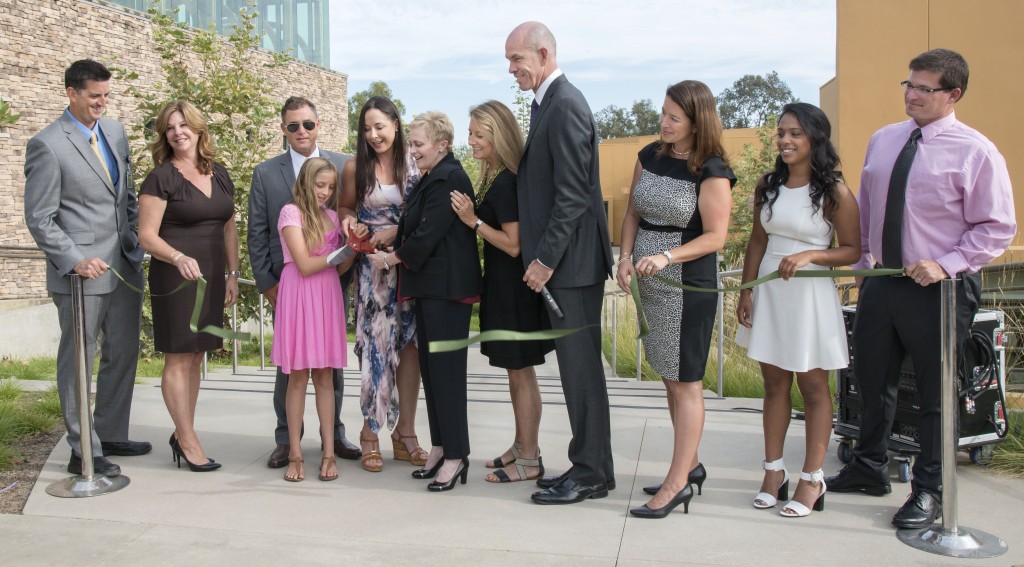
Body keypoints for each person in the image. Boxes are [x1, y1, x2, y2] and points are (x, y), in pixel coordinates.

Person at [825, 49, 1015, 529]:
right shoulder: (885, 140)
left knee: (934, 393)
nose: (912, 94)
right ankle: (868, 466)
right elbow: (869, 208)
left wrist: (946, 264)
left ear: (953, 95)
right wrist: (864, 263)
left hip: (940, 289)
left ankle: (930, 490)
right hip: (881, 283)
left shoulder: (976, 151)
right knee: (873, 379)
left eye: (924, 88)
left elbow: (996, 227)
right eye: (908, 84)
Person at [505, 22, 615, 506]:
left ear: (543, 53)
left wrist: (545, 259)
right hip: (566, 266)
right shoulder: (548, 103)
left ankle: (591, 472)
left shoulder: (566, 105)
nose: (511, 70)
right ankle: (591, 465)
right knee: (576, 374)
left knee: (581, 373)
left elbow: (573, 196)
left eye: (516, 60)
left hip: (571, 267)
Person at [24, 59, 150, 478]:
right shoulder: (47, 144)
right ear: (71, 93)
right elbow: (40, 217)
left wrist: (136, 235)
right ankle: (82, 449)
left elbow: (125, 194)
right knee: (80, 359)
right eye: (94, 96)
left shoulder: (114, 132)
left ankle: (110, 433)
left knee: (124, 351)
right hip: (81, 274)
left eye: (106, 95)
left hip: (124, 267)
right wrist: (75, 256)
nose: (102, 103)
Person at [615, 80, 735, 518]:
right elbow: (632, 213)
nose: (663, 123)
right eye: (662, 113)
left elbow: (716, 237)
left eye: (674, 117)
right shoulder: (649, 155)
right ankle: (692, 464)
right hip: (651, 280)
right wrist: (626, 258)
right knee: (669, 375)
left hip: (688, 283)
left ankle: (677, 481)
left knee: (686, 382)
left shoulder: (713, 170)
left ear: (696, 121)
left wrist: (667, 255)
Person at [734, 102, 860, 517]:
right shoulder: (767, 185)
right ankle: (773, 472)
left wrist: (810, 256)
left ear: (815, 139)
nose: (785, 140)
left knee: (813, 387)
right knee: (774, 385)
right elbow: (757, 241)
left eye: (795, 134)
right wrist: (746, 290)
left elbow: (852, 250)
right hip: (770, 291)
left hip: (808, 296)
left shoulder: (834, 192)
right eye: (781, 133)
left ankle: (812, 478)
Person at [369, 111, 481, 491]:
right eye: (412, 143)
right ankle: (441, 447)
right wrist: (391, 233)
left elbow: (429, 233)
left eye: (418, 144)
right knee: (433, 374)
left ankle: (457, 455)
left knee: (447, 374)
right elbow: (414, 224)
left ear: (442, 145)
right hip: (431, 289)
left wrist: (389, 259)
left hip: (449, 291)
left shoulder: (450, 178)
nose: (412, 151)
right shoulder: (432, 177)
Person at [248, 96, 360, 469]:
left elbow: (348, 220)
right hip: (290, 287)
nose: (301, 131)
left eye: (307, 124)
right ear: (283, 129)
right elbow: (257, 234)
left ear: (317, 125)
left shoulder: (343, 165)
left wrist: (356, 249)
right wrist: (268, 285)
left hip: (329, 290)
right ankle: (288, 443)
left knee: (330, 373)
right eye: (293, 125)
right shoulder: (267, 174)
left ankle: (335, 438)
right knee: (293, 374)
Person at [451, 100, 554, 484]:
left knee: (521, 373)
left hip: (514, 289)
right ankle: (521, 445)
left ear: (499, 135)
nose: (472, 140)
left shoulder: (508, 179)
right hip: (501, 286)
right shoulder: (494, 174)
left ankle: (529, 457)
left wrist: (472, 221)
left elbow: (513, 244)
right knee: (516, 373)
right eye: (471, 133)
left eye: (480, 134)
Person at [138, 100, 237, 472]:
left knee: (197, 355)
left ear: (198, 129)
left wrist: (231, 274)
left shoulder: (220, 173)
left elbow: (228, 226)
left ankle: (185, 432)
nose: (178, 132)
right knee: (179, 356)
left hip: (211, 276)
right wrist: (177, 257)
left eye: (184, 125)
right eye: (170, 127)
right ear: (165, 134)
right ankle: (188, 439)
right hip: (175, 278)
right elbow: (146, 236)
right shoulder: (161, 177)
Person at [339, 96, 425, 473]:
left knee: (410, 350)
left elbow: (428, 213)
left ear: (395, 123)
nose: (374, 135)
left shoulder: (417, 166)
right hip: (373, 274)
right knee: (374, 351)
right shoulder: (355, 167)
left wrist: (400, 232)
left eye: (380, 126)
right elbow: (344, 208)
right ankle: (370, 433)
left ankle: (405, 435)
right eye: (367, 128)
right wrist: (350, 223)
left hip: (410, 268)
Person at [272, 157, 355, 483]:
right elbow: (305, 264)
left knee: (324, 377)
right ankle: (294, 454)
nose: (325, 192)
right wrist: (341, 253)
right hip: (298, 295)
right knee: (297, 378)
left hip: (327, 297)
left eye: (331, 187)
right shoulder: (290, 213)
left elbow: (340, 268)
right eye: (320, 185)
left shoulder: (334, 217)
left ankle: (328, 454)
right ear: (306, 181)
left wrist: (353, 248)